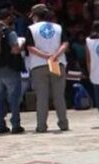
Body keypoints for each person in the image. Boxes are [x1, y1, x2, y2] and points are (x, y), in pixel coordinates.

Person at [26, 4, 70, 133]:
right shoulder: (58, 28)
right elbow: (65, 43)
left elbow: (30, 47)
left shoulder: (31, 29)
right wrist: (55, 55)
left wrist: (45, 56)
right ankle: (63, 123)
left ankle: (41, 126)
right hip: (57, 63)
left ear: (36, 16)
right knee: (59, 96)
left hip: (39, 65)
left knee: (42, 97)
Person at [0, 9, 25, 134]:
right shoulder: (10, 32)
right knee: (14, 97)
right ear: (8, 17)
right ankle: (15, 125)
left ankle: (0, 125)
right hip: (9, 68)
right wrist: (22, 45)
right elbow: (15, 50)